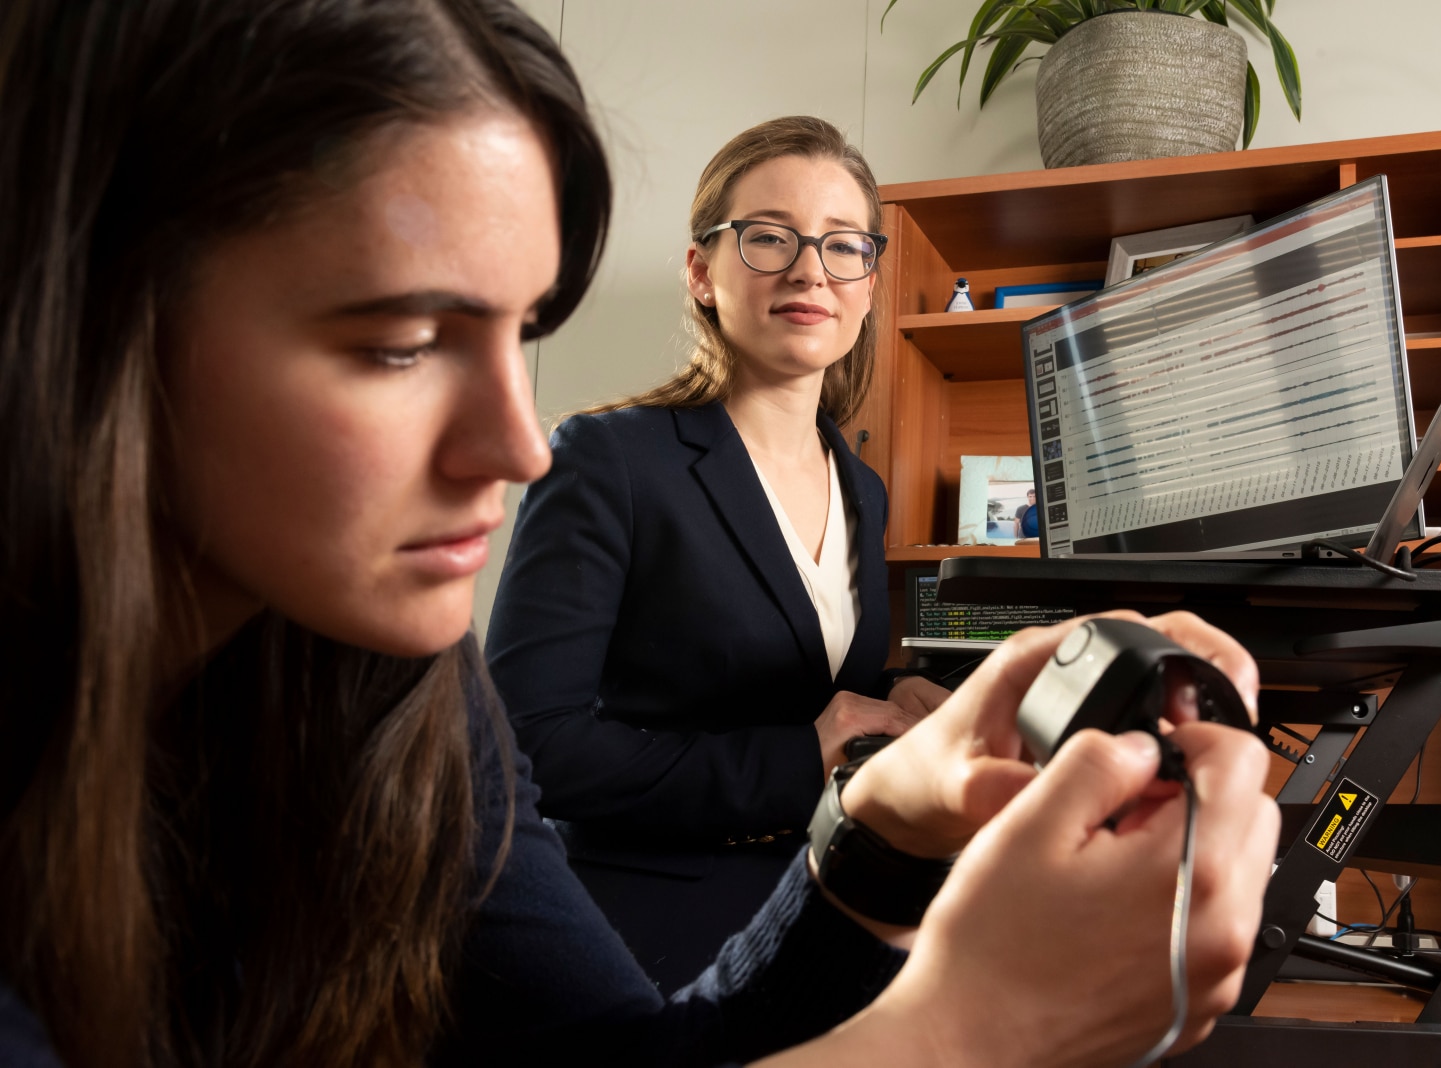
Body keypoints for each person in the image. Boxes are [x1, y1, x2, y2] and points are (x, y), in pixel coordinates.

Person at [0, 2, 1280, 1067]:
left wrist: (881, 826)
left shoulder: (394, 685)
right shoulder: (603, 468)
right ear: (91, 316)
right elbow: (567, 744)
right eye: (398, 340)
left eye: (518, 331)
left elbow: (619, 1050)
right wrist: (973, 1030)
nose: (514, 444)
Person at [484, 116, 951, 987]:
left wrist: (893, 696)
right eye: (770, 238)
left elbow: (789, 676)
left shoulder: (861, 487)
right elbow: (526, 745)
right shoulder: (607, 459)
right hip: (649, 931)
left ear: (869, 282)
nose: (811, 268)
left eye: (843, 246)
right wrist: (799, 756)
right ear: (701, 271)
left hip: (824, 902)